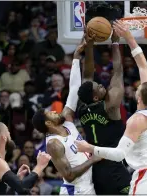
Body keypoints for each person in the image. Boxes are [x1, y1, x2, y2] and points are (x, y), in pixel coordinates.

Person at [75, 20, 147, 195]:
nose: (137, 86)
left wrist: (89, 148)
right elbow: (142, 66)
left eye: (138, 88)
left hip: (146, 177)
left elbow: (120, 154)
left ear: (138, 97)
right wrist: (127, 39)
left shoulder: (135, 120)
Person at [32, 35, 100, 195]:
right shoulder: (53, 144)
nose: (55, 112)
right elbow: (68, 175)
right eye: (51, 113)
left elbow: (75, 89)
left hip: (88, 185)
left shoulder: (67, 120)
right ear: (48, 124)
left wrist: (76, 57)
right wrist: (94, 159)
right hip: (75, 190)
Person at [77, 30, 131, 194]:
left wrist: (90, 45)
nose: (102, 85)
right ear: (95, 98)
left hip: (96, 170)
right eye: (99, 87)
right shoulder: (110, 106)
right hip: (114, 168)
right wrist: (115, 44)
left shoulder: (82, 107)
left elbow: (87, 74)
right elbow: (118, 72)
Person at [0, 122, 51, 195]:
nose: (10, 136)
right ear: (4, 137)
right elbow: (23, 189)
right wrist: (40, 166)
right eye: (8, 133)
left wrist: (16, 179)